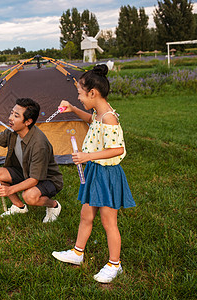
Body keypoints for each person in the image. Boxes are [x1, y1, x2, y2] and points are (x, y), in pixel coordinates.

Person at [51, 65, 135, 283]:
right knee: (86, 215)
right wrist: (72, 109)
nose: (78, 98)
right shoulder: (99, 113)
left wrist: (88, 157)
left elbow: (118, 149)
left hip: (107, 174)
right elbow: (90, 121)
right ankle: (78, 253)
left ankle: (115, 264)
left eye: (79, 94)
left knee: (109, 221)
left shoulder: (109, 118)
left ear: (92, 93)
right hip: (96, 171)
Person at [0, 98, 63, 223]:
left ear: (28, 122)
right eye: (11, 113)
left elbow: (35, 179)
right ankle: (19, 207)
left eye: (16, 115)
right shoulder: (13, 131)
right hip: (25, 172)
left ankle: (53, 205)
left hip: (47, 179)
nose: (11, 118)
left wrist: (10, 190)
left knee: (29, 196)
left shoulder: (39, 144)